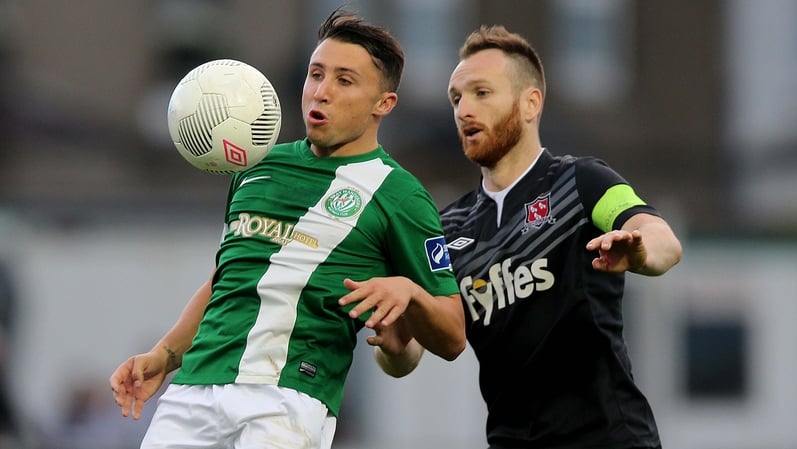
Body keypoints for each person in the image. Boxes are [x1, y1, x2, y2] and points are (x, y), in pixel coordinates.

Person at [109, 8, 465, 449]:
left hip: (289, 397)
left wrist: (409, 292)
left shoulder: (401, 196)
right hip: (194, 389)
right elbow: (226, 279)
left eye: (344, 80)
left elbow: (452, 335)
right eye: (316, 75)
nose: (321, 92)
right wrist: (164, 356)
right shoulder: (256, 165)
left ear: (383, 104)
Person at [436, 25, 682, 448]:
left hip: (608, 438)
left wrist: (639, 251)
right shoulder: (447, 228)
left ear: (530, 103)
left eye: (481, 93)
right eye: (456, 98)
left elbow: (663, 239)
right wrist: (392, 340)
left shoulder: (580, 182)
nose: (463, 110)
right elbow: (408, 354)